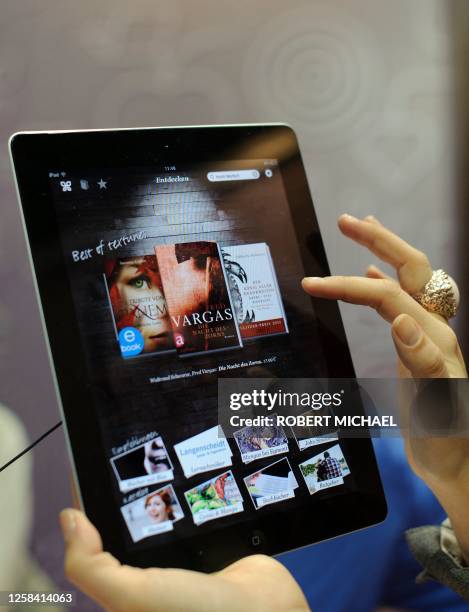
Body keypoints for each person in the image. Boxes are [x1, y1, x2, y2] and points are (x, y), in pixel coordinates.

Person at [60, 214, 469, 610]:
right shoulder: (123, 502)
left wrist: (460, 483)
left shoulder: (367, 462)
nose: (191, 336)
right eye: (148, 289)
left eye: (213, 295)